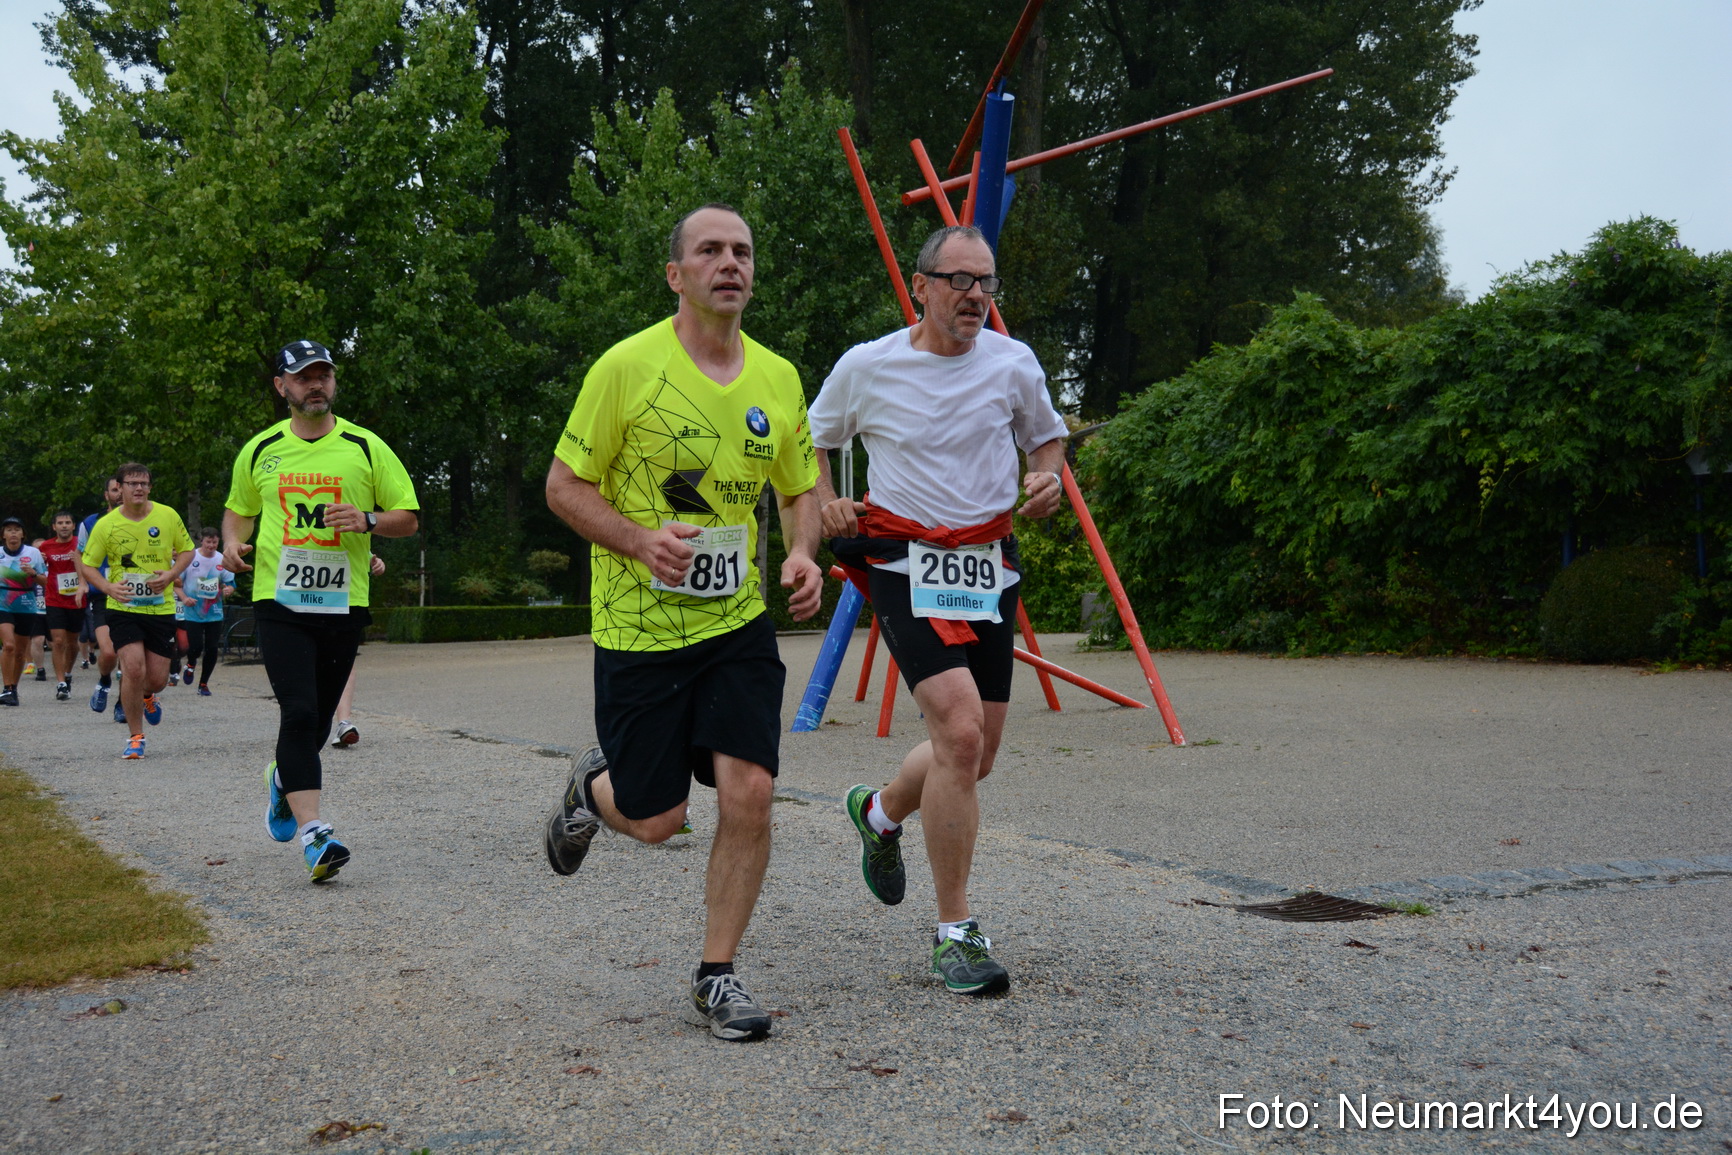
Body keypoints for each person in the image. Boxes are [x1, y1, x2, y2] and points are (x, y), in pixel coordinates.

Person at [541, 203, 822, 1041]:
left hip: (735, 626)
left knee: (752, 793)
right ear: (677, 274)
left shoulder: (778, 376)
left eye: (741, 251)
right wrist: (638, 542)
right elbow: (562, 486)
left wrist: (805, 551)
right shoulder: (626, 369)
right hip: (639, 633)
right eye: (710, 251)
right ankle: (591, 787)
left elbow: (801, 488)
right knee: (658, 819)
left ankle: (717, 974)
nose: (729, 263)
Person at [809, 224, 1069, 997]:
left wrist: (1048, 482)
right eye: (958, 280)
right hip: (903, 561)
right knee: (958, 732)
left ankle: (881, 814)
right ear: (919, 286)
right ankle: (956, 932)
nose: (975, 296)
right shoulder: (869, 365)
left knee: (976, 754)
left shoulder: (1013, 363)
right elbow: (810, 439)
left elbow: (1046, 442)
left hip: (986, 563)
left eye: (986, 281)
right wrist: (825, 504)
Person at [223, 340, 419, 882]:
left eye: (324, 375)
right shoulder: (261, 449)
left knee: (314, 724)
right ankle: (315, 837)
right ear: (281, 387)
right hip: (279, 600)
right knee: (301, 712)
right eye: (303, 376)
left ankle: (282, 780)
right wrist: (233, 543)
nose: (316, 384)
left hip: (343, 600)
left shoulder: (364, 445)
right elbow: (237, 512)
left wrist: (369, 520)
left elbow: (408, 517)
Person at [77, 465, 195, 756]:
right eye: (132, 483)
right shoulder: (106, 524)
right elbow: (88, 564)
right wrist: (107, 587)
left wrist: (170, 575)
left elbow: (188, 550)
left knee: (156, 679)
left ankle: (148, 696)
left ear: (150, 487)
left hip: (160, 607)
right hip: (123, 606)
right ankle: (135, 736)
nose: (138, 488)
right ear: (120, 488)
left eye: (144, 483)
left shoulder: (167, 515)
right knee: (132, 668)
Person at [328, 554, 386, 746]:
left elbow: (355, 544)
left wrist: (374, 561)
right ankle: (302, 722)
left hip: (343, 600)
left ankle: (343, 723)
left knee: (345, 663)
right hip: (303, 600)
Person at [81, 475, 126, 720]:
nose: (119, 493)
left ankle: (123, 704)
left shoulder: (140, 520)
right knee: (109, 652)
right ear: (106, 495)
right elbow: (80, 555)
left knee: (129, 658)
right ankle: (104, 681)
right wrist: (81, 583)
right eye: (114, 489)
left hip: (131, 596)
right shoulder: (90, 523)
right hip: (102, 596)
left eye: (122, 489)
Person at [173, 528, 236, 696]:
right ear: (202, 541)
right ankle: (191, 663)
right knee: (195, 647)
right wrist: (185, 598)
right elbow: (176, 584)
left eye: (214, 542)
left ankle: (203, 684)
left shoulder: (222, 559)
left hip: (214, 612)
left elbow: (231, 582)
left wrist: (229, 589)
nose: (211, 546)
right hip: (193, 610)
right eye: (208, 542)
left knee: (212, 648)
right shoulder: (191, 557)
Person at [0, 516, 49, 706]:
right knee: (9, 646)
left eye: (16, 529)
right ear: (3, 535)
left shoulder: (34, 553)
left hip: (26, 603)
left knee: (20, 652)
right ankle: (5, 688)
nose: (13, 533)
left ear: (22, 534)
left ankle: (13, 689)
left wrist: (33, 574)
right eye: (9, 529)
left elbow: (46, 582)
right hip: (3, 602)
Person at [40, 510, 88, 701]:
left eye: (68, 522)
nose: (64, 526)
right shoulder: (46, 546)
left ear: (73, 525)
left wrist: (79, 560)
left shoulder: (80, 544)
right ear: (54, 527)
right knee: (58, 641)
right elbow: (39, 570)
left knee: (72, 642)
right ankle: (60, 682)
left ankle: (67, 673)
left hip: (76, 599)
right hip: (54, 599)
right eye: (60, 523)